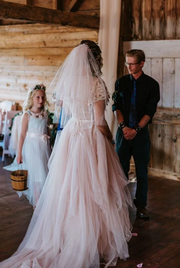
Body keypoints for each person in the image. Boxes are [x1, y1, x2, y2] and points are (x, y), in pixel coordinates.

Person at [0, 41, 132, 268]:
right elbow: (100, 121)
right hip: (90, 136)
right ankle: (90, 241)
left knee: (70, 188)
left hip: (72, 136)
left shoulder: (70, 84)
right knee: (94, 188)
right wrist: (109, 139)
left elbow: (68, 114)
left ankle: (66, 237)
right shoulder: (96, 83)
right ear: (96, 59)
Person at [112, 49, 160, 219]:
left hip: (141, 134)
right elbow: (116, 106)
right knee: (121, 170)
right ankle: (121, 204)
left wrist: (136, 130)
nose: (129, 67)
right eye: (127, 63)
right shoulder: (121, 82)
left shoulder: (152, 85)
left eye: (132, 63)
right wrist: (124, 127)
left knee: (141, 171)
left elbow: (150, 111)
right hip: (122, 133)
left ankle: (141, 205)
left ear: (141, 64)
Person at [4, 84, 51, 208]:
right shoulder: (27, 115)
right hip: (32, 148)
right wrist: (19, 153)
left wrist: (50, 148)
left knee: (44, 174)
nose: (40, 100)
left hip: (44, 148)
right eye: (37, 97)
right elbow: (22, 135)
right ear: (32, 98)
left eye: (42, 97)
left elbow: (47, 133)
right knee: (35, 175)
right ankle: (36, 203)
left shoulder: (45, 114)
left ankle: (43, 201)